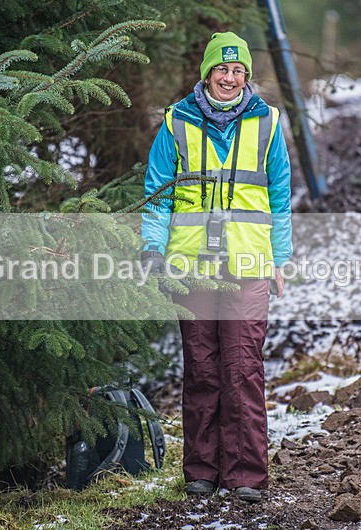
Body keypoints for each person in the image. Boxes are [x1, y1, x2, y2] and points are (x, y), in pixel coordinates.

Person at [140, 31, 292, 503]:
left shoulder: (267, 124)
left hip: (248, 263)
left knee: (243, 368)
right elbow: (157, 193)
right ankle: (201, 472)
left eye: (238, 70)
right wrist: (152, 248)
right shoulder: (175, 123)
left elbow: (281, 196)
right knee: (202, 369)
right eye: (221, 70)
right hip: (191, 266)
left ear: (246, 76)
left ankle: (246, 476)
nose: (229, 78)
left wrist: (280, 259)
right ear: (206, 73)